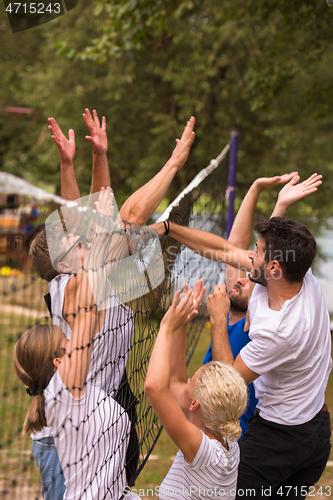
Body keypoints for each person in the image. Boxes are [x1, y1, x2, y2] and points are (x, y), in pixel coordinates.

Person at [28, 111, 196, 500]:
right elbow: (121, 216)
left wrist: (83, 160)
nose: (86, 240)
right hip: (66, 440)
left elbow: (88, 215)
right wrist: (174, 163)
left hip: (93, 424)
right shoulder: (74, 286)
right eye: (75, 243)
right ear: (65, 262)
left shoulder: (87, 274)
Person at [151, 172, 330, 498]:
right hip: (315, 426)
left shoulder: (281, 331)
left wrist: (218, 320)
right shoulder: (298, 274)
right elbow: (222, 250)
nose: (248, 254)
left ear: (273, 268)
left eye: (257, 252)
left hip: (282, 437)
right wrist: (167, 229)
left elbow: (227, 384)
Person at [14, 255, 131, 499]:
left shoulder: (70, 391)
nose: (73, 338)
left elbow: (88, 314)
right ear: (59, 362)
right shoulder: (63, 389)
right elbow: (86, 315)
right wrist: (93, 252)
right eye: (67, 340)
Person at [203, 172, 299, 437]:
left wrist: (280, 208)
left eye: (252, 280)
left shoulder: (254, 323)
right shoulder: (232, 315)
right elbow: (234, 247)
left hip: (241, 436)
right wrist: (255, 187)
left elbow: (264, 259)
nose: (242, 280)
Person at [140, 280, 248, 500]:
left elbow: (155, 387)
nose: (188, 378)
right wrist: (181, 326)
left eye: (193, 381)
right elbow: (175, 382)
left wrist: (167, 327)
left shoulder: (203, 451)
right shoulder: (227, 442)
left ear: (194, 404)